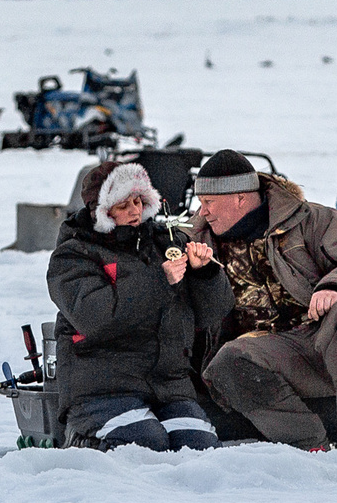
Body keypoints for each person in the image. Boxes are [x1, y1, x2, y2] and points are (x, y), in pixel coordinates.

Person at [191, 149, 337, 455]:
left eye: (208, 202)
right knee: (227, 362)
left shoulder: (313, 220)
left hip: (331, 338)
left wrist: (335, 286)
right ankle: (309, 444)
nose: (203, 212)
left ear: (240, 198)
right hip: (272, 353)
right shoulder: (197, 240)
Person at [47, 159, 234, 450]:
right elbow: (96, 318)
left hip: (167, 387)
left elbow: (212, 313)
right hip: (102, 387)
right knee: (144, 444)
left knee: (199, 446)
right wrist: (159, 281)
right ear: (101, 211)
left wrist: (205, 274)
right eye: (123, 205)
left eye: (138, 201)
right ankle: (81, 440)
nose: (134, 211)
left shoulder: (165, 244)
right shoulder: (73, 255)